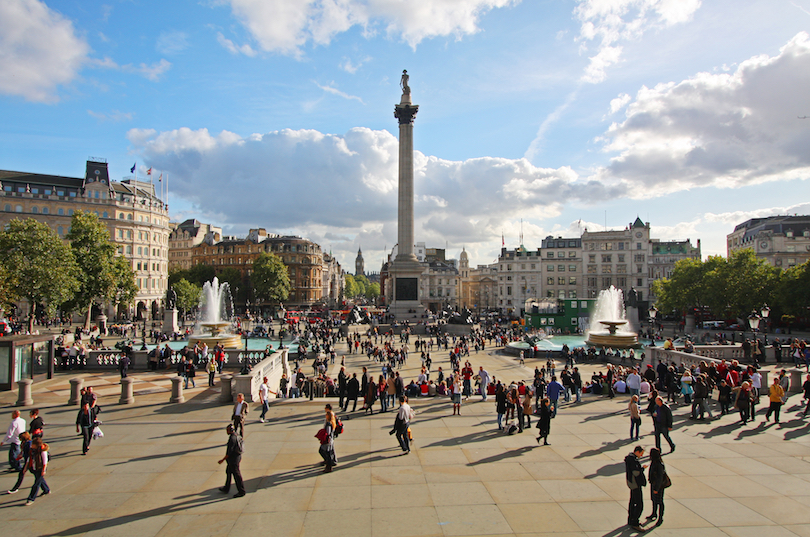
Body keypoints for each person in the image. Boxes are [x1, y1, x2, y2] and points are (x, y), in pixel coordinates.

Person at [218, 424, 245, 498]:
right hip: (237, 457)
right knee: (228, 472)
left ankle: (241, 491)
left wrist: (222, 460)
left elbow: (229, 452)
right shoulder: (237, 435)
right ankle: (226, 488)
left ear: (230, 430)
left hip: (233, 460)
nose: (226, 431)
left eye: (227, 430)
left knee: (237, 475)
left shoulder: (232, 439)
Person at [625, 445, 647, 531]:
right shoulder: (633, 461)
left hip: (631, 483)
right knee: (639, 504)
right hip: (635, 484)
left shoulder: (630, 459)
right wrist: (642, 469)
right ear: (637, 451)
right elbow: (636, 473)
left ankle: (631, 519)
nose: (641, 455)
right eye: (641, 453)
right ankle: (635, 522)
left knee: (632, 501)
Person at [24, 437, 50, 506]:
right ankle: (46, 490)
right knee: (40, 480)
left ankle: (31, 498)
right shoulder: (32, 450)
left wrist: (43, 470)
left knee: (36, 484)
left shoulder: (43, 451)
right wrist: (25, 467)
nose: (31, 445)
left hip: (40, 468)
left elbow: (45, 461)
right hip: (34, 468)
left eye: (33, 444)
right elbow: (29, 458)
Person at [646, 447, 666, 527]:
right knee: (654, 500)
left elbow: (660, 477)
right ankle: (654, 513)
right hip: (654, 484)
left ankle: (660, 518)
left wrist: (656, 488)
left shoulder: (659, 464)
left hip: (659, 486)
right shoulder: (654, 462)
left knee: (660, 501)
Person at [318, 404, 338, 472]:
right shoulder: (332, 419)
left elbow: (328, 432)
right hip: (330, 439)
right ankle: (331, 462)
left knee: (325, 451)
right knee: (329, 451)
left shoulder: (329, 423)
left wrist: (326, 437)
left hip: (328, 440)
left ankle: (330, 463)